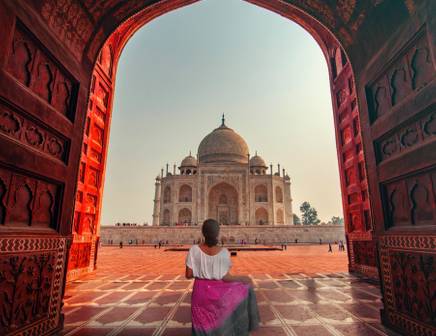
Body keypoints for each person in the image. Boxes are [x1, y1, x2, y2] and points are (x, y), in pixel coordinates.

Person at [186, 219, 259, 335]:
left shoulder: (194, 250)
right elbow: (226, 277)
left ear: (203, 232)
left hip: (199, 293)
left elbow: (188, 275)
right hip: (217, 293)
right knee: (217, 323)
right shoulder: (224, 252)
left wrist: (202, 272)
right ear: (218, 233)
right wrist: (243, 279)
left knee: (200, 326)